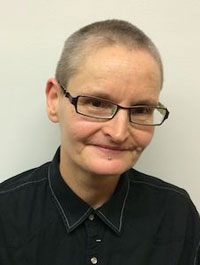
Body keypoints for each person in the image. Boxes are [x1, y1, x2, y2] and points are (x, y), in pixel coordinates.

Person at [0, 19, 199, 265]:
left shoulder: (177, 214)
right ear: (54, 100)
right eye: (96, 103)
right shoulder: (5, 214)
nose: (119, 132)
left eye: (141, 109)